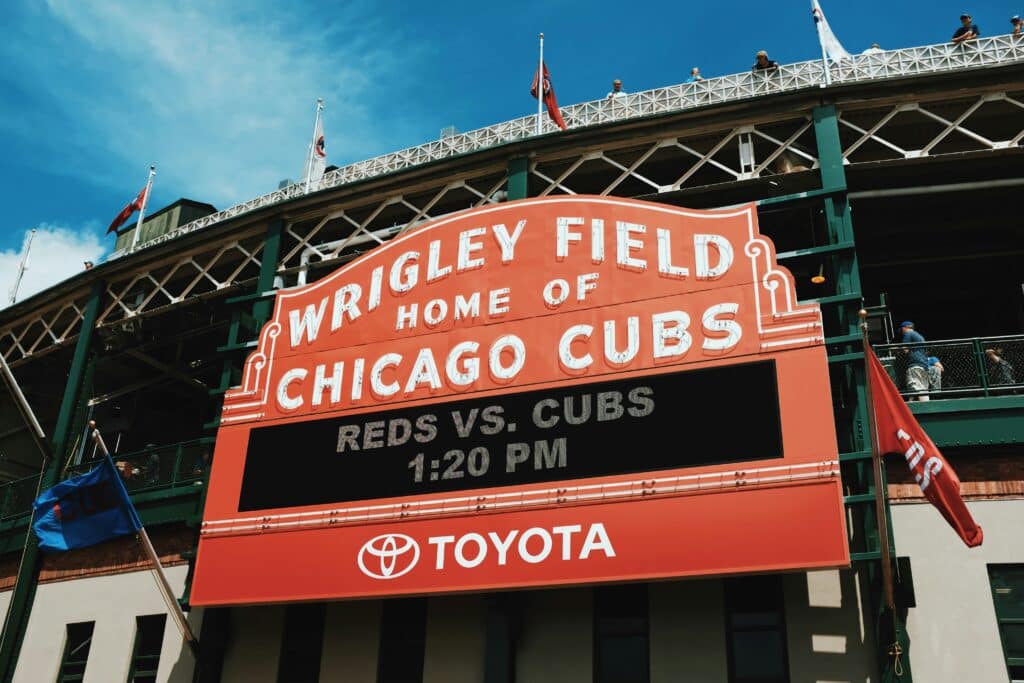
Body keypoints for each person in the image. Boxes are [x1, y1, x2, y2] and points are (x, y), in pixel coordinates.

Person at [899, 321, 930, 400]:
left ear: (904, 328)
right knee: (921, 389)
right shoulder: (920, 336)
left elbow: (905, 349)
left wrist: (897, 351)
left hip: (914, 365)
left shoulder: (908, 333)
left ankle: (926, 406)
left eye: (902, 329)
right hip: (924, 365)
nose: (902, 332)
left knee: (915, 387)